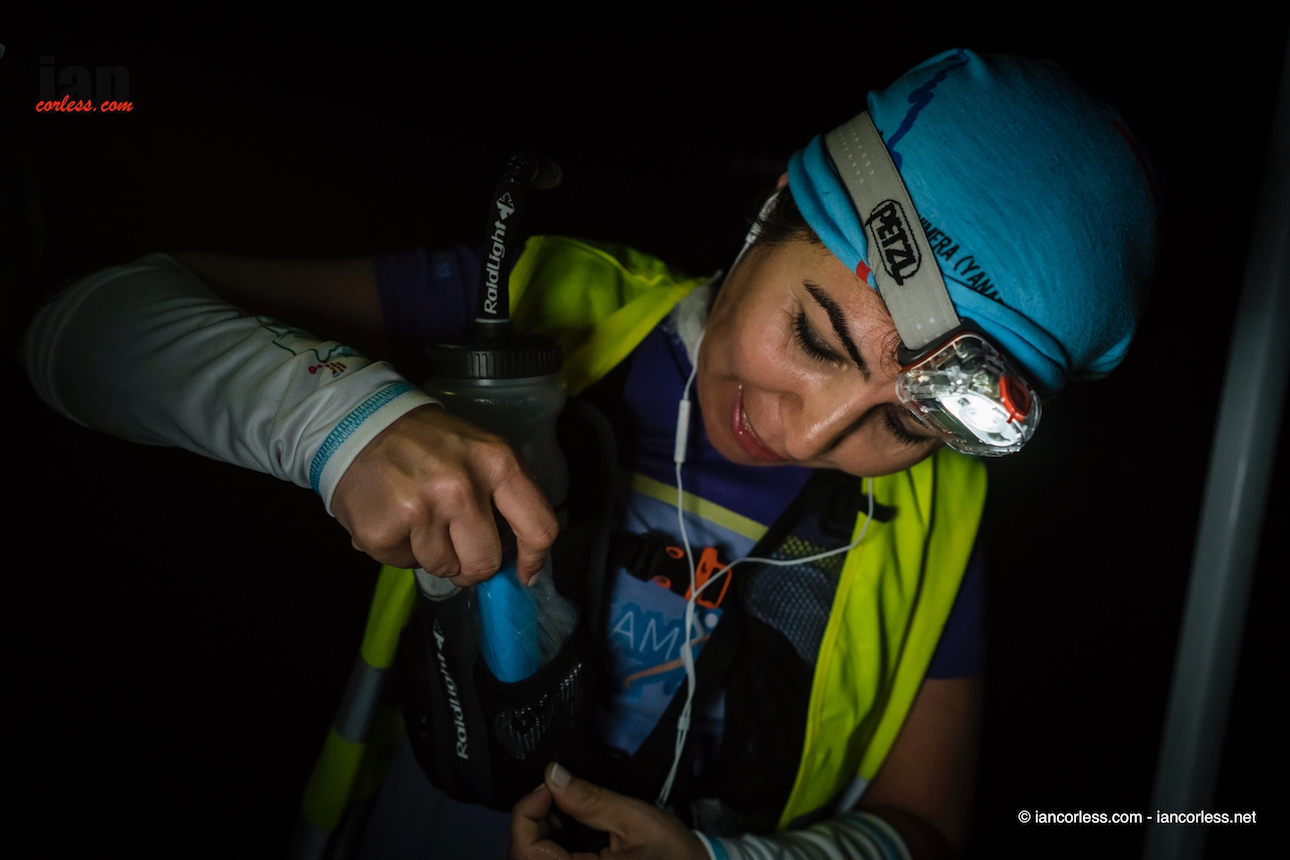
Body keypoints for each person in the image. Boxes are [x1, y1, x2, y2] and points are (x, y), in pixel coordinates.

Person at [20, 49, 1156, 859]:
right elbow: (79, 327)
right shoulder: (546, 298)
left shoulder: (947, 516)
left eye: (907, 422)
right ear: (773, 205)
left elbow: (927, 828)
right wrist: (340, 420)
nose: (807, 433)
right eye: (818, 336)